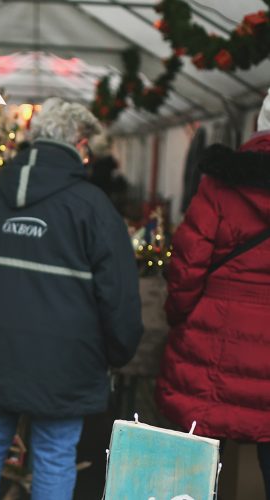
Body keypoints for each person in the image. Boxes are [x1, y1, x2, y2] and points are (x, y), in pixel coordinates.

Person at [0, 98, 143, 500]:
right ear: (80, 144)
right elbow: (118, 296)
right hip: (67, 364)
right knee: (53, 456)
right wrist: (119, 351)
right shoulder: (95, 209)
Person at [156, 89, 270, 500]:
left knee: (195, 466)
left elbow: (186, 265)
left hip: (212, 345)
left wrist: (179, 316)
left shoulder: (222, 182)